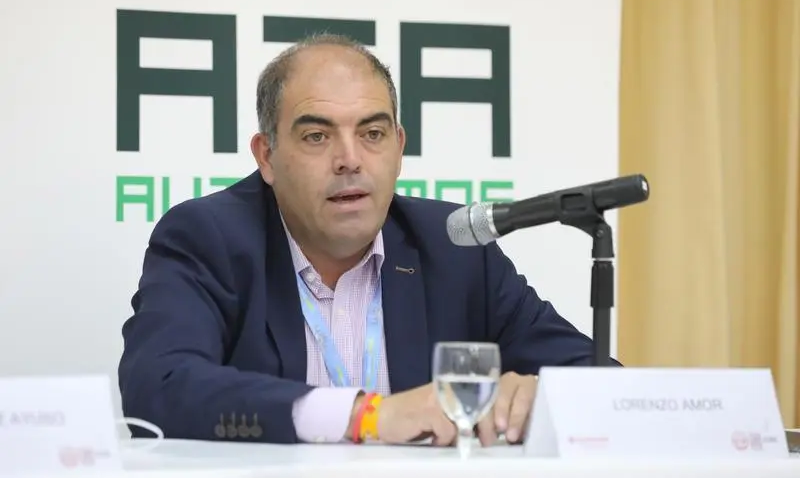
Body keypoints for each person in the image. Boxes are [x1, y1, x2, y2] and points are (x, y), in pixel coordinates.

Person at [118, 33, 609, 447]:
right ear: (266, 156)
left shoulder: (453, 247)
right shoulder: (209, 238)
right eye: (317, 136)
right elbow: (157, 387)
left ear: (399, 148)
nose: (349, 159)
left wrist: (539, 395)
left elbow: (607, 386)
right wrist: (367, 416)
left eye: (372, 133)